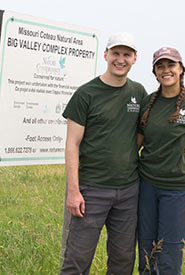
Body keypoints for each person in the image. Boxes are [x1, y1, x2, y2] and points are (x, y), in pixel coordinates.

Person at [61, 31, 147, 275]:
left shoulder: (138, 93)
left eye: (127, 55)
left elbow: (140, 134)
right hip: (91, 190)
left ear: (135, 59)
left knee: (123, 260)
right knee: (77, 260)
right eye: (116, 53)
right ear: (106, 55)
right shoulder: (86, 94)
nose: (121, 59)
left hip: (129, 191)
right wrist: (74, 191)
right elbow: (72, 145)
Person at [138, 47, 185, 275]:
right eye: (160, 66)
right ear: (155, 72)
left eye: (171, 65)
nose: (166, 70)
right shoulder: (148, 103)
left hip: (177, 189)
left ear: (181, 69)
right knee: (146, 245)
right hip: (146, 185)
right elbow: (136, 141)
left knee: (170, 249)